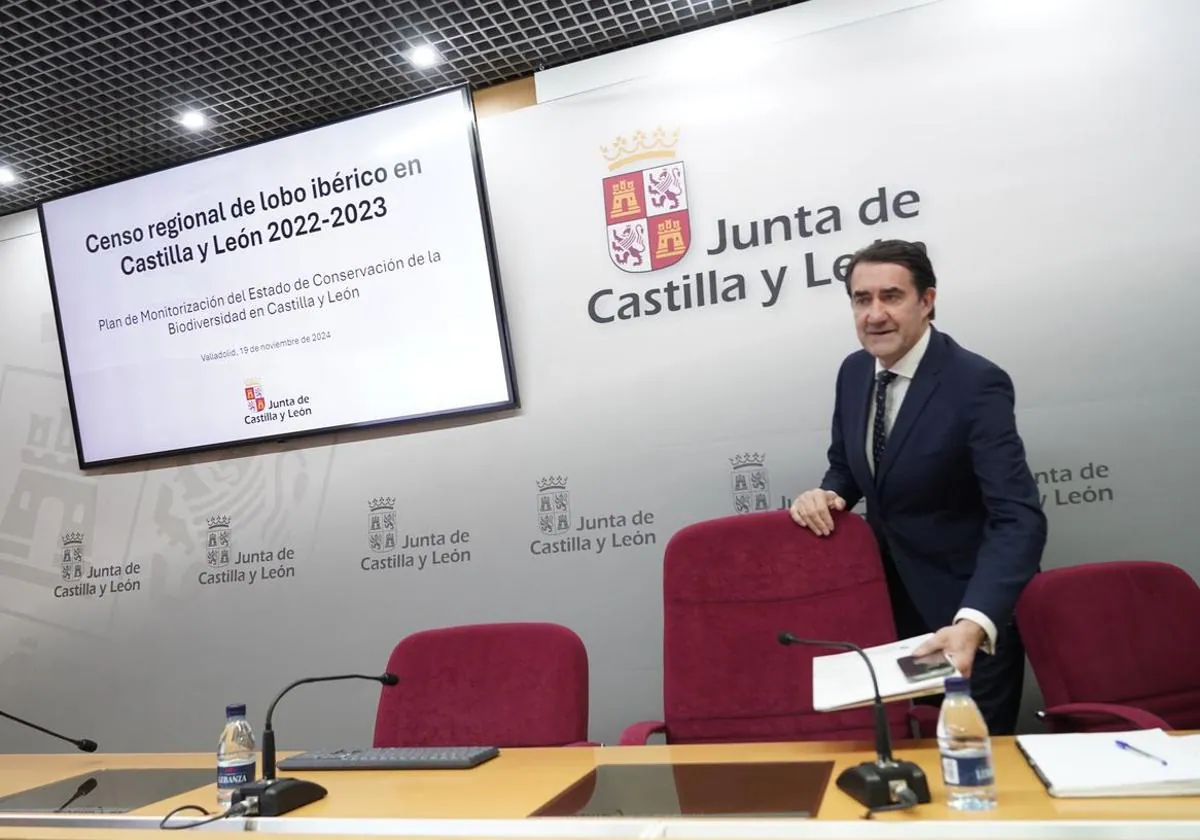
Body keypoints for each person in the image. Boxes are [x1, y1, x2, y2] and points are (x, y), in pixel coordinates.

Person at [789, 239, 1046, 735]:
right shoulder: (854, 371)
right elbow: (848, 465)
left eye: (892, 296)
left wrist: (975, 621)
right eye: (862, 300)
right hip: (885, 625)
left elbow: (1018, 517)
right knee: (905, 780)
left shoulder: (975, 383)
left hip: (964, 624)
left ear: (927, 301)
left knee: (968, 777)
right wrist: (827, 493)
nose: (875, 314)